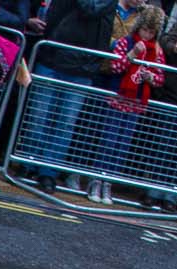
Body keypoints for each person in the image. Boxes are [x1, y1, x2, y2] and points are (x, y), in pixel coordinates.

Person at [20, 0, 124, 192]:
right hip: (52, 54)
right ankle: (28, 163)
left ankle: (48, 172)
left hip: (81, 65)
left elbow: (90, 8)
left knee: (65, 122)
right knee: (38, 115)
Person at [92, 5, 168, 200]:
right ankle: (96, 180)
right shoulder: (125, 42)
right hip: (117, 98)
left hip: (136, 103)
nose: (147, 35)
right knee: (108, 141)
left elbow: (161, 78)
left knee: (122, 146)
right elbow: (115, 66)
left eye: (152, 32)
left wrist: (150, 77)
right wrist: (132, 55)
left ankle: (109, 182)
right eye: (145, 30)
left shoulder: (157, 51)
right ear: (138, 28)